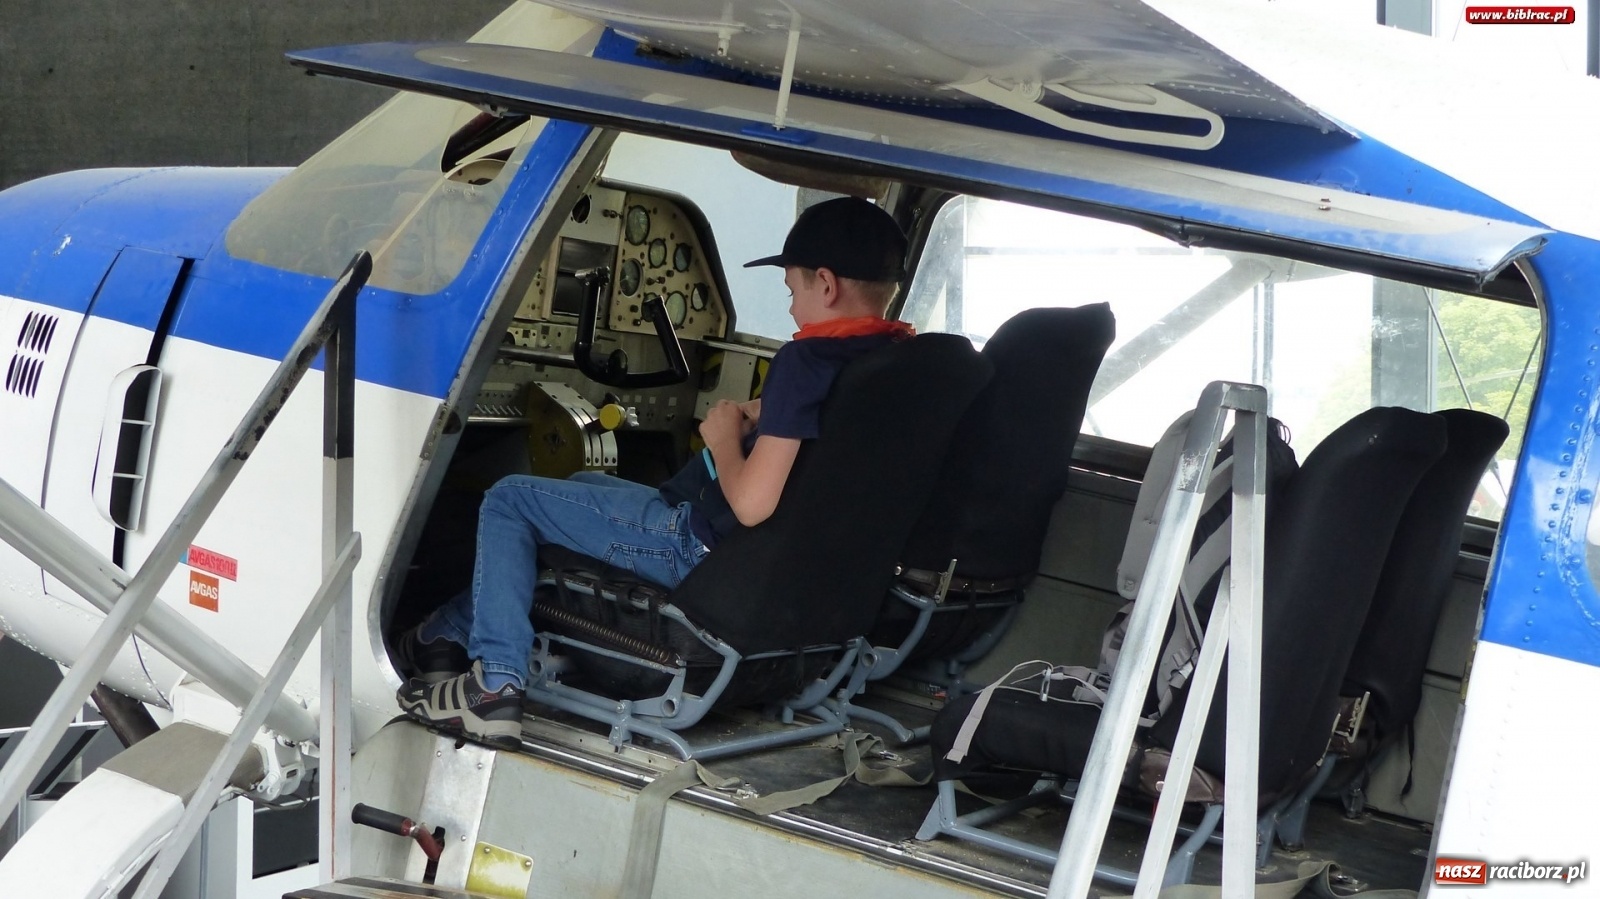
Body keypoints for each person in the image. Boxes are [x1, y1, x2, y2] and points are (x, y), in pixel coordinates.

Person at [396, 196, 916, 748]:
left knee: (510, 500)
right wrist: (763, 418)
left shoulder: (805, 362)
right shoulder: (889, 364)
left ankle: (493, 683)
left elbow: (752, 504)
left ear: (827, 285)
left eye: (792, 292)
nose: (790, 310)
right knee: (578, 488)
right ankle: (443, 636)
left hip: (697, 549)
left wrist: (720, 437)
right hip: (779, 569)